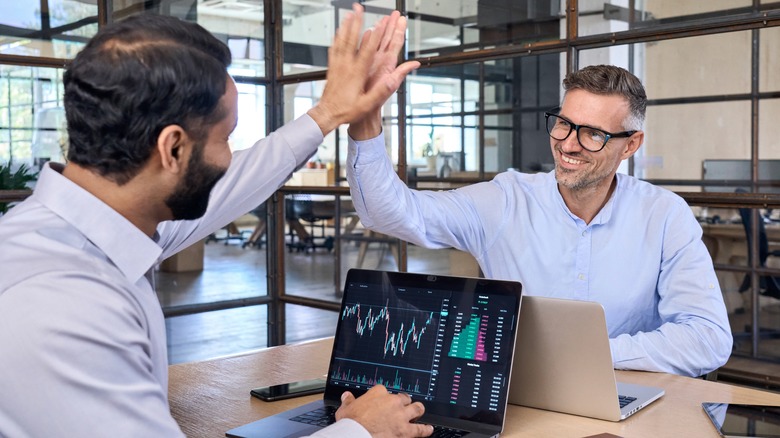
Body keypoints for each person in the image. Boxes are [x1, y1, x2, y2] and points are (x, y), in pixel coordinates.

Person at [0, 5, 431, 437]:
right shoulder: (61, 302)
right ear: (172, 149)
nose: (228, 158)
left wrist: (328, 114)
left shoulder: (92, 229)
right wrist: (360, 431)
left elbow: (237, 182)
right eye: (225, 138)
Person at [346, 64, 733, 378]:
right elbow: (389, 211)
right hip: (523, 400)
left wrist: (592, 355)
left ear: (630, 145)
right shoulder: (506, 201)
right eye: (564, 123)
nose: (567, 144)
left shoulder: (665, 216)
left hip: (626, 398)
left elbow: (708, 337)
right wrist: (365, 126)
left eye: (593, 134)